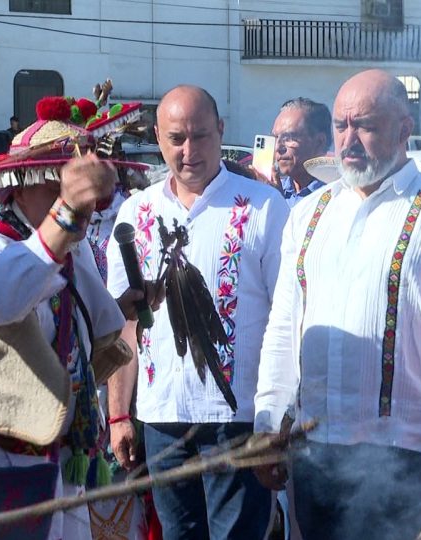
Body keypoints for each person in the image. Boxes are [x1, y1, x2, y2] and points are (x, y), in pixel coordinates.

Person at [253, 69, 421, 539]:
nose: (349, 140)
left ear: (404, 130)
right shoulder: (308, 213)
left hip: (408, 453)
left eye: (364, 125)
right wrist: (268, 421)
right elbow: (284, 324)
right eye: (342, 125)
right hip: (316, 451)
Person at [0, 97, 145, 539]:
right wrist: (64, 218)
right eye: (56, 186)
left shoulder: (69, 249)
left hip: (57, 451)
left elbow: (88, 326)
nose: (81, 203)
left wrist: (127, 306)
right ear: (19, 187)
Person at [106, 85, 289, 540]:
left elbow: (287, 319)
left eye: (201, 136)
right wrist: (119, 415)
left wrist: (276, 420)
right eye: (176, 139)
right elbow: (125, 328)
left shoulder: (264, 207)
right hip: (162, 416)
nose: (190, 151)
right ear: (157, 138)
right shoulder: (136, 212)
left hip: (240, 418)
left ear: (221, 131)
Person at [272, 97, 332, 205]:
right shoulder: (275, 189)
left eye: (288, 138)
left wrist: (278, 204)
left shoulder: (335, 196)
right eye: (276, 137)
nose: (277, 148)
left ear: (319, 142)